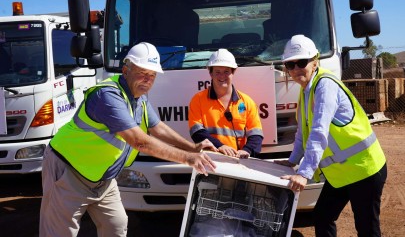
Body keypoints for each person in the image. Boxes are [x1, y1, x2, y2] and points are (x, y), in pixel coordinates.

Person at [39, 42, 218, 237]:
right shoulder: (107, 95)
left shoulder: (139, 97)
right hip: (69, 170)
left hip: (101, 177)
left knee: (116, 226)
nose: (147, 80)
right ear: (126, 70)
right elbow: (139, 141)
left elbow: (157, 127)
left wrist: (193, 147)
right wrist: (187, 158)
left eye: (152, 75)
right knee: (60, 232)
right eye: (142, 73)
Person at [275, 35, 387, 237]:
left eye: (302, 62)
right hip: (342, 172)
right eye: (290, 65)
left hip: (364, 169)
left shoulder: (324, 85)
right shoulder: (305, 90)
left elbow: (319, 132)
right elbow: (303, 132)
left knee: (367, 228)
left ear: (315, 62)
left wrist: (304, 173)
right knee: (322, 216)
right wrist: (292, 162)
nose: (296, 69)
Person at [188, 48, 263, 159]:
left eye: (226, 72)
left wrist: (247, 151)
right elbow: (197, 132)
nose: (221, 76)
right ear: (211, 74)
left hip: (239, 161)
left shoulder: (247, 102)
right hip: (210, 158)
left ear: (233, 73)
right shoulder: (198, 99)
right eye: (217, 72)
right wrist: (220, 146)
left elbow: (256, 134)